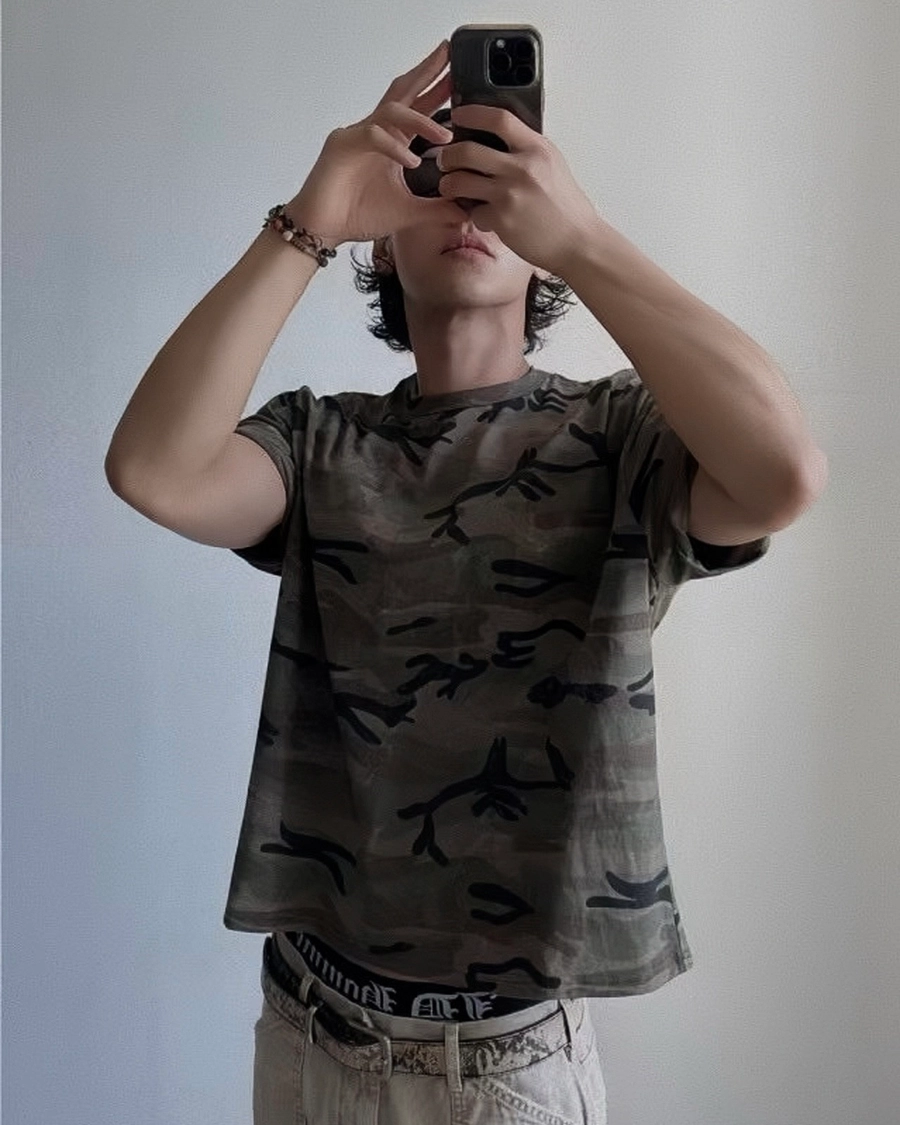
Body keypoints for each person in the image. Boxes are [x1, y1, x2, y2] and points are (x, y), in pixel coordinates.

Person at [105, 38, 827, 1125]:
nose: (468, 204)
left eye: (500, 179)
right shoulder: (321, 443)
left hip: (503, 1066)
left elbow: (782, 474)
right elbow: (154, 472)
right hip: (308, 1029)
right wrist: (306, 221)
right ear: (384, 244)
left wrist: (583, 237)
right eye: (438, 179)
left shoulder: (621, 435)